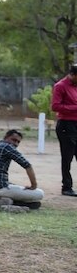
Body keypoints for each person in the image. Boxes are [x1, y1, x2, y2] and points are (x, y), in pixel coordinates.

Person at [0, 129, 43, 206]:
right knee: (40, 193)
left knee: (15, 186)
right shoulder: (7, 147)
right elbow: (28, 166)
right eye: (13, 140)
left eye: (18, 142)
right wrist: (33, 186)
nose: (15, 144)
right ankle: (10, 201)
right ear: (6, 138)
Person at [50, 64, 77, 196]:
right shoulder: (60, 86)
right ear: (73, 75)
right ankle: (66, 187)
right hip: (66, 124)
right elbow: (55, 106)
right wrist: (75, 108)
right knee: (67, 157)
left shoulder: (75, 86)